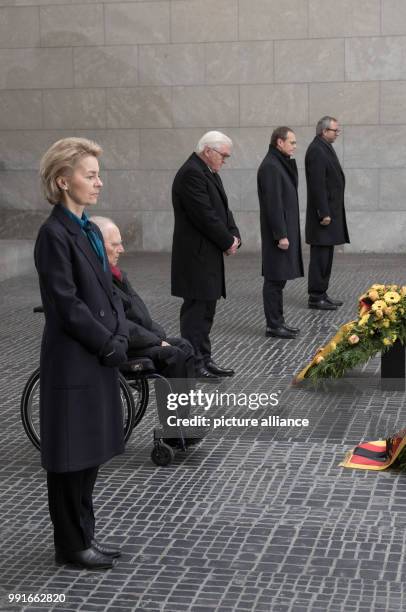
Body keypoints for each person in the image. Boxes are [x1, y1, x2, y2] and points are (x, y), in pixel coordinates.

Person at [35, 138, 129, 570]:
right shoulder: (53, 234)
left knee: (87, 455)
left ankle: (84, 537)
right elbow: (66, 303)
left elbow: (109, 291)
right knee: (70, 458)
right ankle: (71, 546)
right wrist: (108, 342)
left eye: (97, 174)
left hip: (95, 356)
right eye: (89, 175)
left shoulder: (89, 229)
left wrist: (121, 332)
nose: (98, 182)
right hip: (75, 359)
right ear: (62, 181)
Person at [91, 216, 198, 441]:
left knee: (185, 347)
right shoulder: (97, 280)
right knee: (173, 355)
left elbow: (141, 315)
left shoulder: (117, 275)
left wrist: (158, 335)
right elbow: (119, 324)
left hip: (139, 339)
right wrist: (157, 341)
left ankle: (181, 421)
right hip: (121, 345)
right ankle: (173, 431)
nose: (121, 249)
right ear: (98, 246)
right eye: (115, 244)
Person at [171, 131, 241, 380]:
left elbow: (223, 210)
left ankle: (204, 359)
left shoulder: (207, 171)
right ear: (208, 151)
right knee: (195, 314)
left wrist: (234, 236)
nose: (225, 160)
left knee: (206, 311)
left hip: (207, 255)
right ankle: (193, 364)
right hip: (195, 257)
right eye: (223, 155)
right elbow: (204, 215)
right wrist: (226, 241)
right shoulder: (192, 173)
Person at [257, 127, 304, 339]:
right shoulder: (270, 166)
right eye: (292, 142)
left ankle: (279, 321)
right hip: (278, 236)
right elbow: (273, 204)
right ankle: (273, 325)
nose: (295, 146)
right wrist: (281, 235)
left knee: (279, 279)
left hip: (283, 232)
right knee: (274, 279)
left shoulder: (278, 163)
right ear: (279, 142)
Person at [305, 116, 350, 310]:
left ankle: (322, 293)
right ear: (324, 131)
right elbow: (317, 185)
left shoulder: (323, 147)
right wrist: (324, 212)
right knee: (320, 257)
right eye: (335, 130)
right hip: (322, 217)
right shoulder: (316, 150)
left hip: (328, 214)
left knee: (326, 256)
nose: (337, 133)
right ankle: (316, 296)